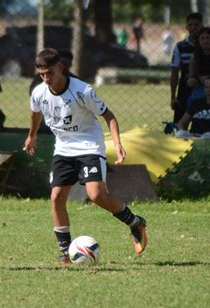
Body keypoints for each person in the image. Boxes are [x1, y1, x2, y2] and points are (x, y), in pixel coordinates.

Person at [23, 48, 148, 263]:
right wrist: (31, 135)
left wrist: (118, 144)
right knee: (56, 197)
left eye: (49, 73)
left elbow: (109, 116)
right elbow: (35, 113)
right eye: (41, 74)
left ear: (60, 68)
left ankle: (135, 222)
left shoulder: (82, 91)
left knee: (96, 195)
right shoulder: (38, 92)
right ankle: (65, 252)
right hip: (63, 148)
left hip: (89, 146)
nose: (46, 79)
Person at [170, 13, 210, 124]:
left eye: (196, 25)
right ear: (187, 27)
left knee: (209, 122)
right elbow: (175, 72)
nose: (193, 28)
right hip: (186, 89)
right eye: (190, 25)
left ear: (202, 26)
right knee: (180, 121)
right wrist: (173, 96)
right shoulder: (181, 47)